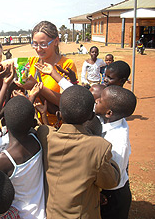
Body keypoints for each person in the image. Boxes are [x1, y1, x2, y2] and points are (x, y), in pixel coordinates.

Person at [37, 85, 120, 219]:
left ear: (59, 113)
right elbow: (110, 182)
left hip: (49, 213)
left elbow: (37, 126)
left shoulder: (45, 135)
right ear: (92, 116)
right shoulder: (98, 147)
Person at [2, 21, 78, 127]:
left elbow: (68, 101)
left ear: (56, 41)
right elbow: (5, 64)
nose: (38, 49)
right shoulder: (31, 62)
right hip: (37, 125)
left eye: (43, 44)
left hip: (59, 125)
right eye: (35, 44)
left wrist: (36, 86)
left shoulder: (66, 65)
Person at [0, 96, 46, 219]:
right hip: (43, 214)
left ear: (4, 122)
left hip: (19, 215)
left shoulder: (3, 160)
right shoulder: (37, 140)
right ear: (32, 123)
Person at [95, 85, 137, 219]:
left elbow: (113, 180)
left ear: (109, 112)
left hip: (112, 194)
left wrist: (98, 193)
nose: (96, 100)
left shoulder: (118, 142)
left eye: (100, 100)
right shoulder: (111, 118)